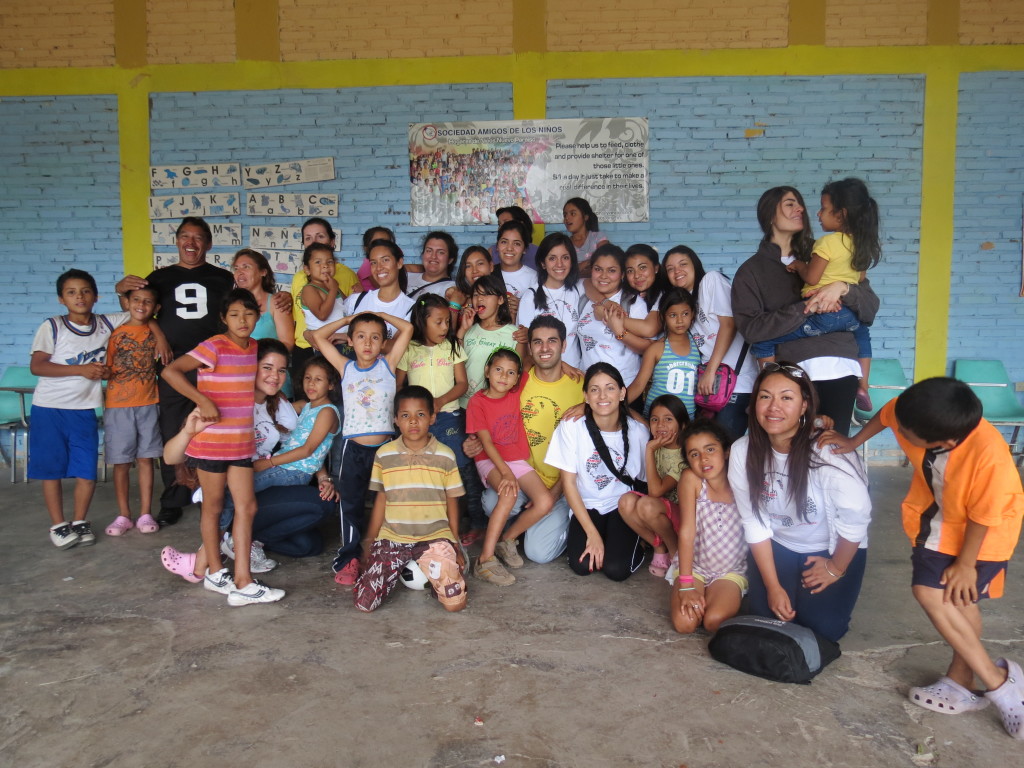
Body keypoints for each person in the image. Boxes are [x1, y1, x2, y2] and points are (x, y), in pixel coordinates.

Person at [820, 377, 1024, 736]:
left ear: (944, 443)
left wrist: (964, 564)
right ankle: (988, 682)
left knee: (955, 597)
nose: (899, 430)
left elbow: (984, 515)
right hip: (938, 519)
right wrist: (852, 442)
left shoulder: (989, 456)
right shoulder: (911, 412)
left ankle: (987, 684)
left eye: (907, 434)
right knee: (940, 595)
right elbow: (886, 415)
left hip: (986, 533)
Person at [159, 339, 338, 575]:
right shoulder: (227, 404)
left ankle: (242, 541)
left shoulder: (283, 406)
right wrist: (188, 431)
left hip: (264, 479)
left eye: (281, 370)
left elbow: (304, 445)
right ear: (250, 368)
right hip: (233, 488)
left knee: (309, 543)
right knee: (314, 505)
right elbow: (172, 458)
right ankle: (201, 561)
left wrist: (324, 476)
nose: (275, 376)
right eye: (267, 367)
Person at [728, 361, 870, 642]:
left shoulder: (826, 452)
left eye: (786, 398)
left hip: (831, 548)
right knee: (766, 619)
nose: (773, 407)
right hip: (779, 544)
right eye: (765, 396)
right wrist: (772, 586)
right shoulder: (742, 451)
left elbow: (857, 515)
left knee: (822, 631)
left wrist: (835, 567)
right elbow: (753, 522)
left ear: (804, 405)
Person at [160, 288, 285, 606]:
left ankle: (243, 581)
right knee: (213, 508)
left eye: (248, 313)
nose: (242, 321)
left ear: (259, 314)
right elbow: (170, 370)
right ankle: (216, 573)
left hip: (241, 445)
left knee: (247, 508)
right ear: (222, 318)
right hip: (212, 445)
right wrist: (201, 399)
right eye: (234, 315)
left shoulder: (254, 347)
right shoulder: (213, 346)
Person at [115, 217, 237, 527]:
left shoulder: (223, 278)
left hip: (212, 364)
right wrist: (155, 331)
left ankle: (208, 493)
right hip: (174, 364)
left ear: (208, 244)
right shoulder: (158, 277)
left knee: (212, 427)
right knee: (171, 427)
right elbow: (139, 309)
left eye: (198, 238)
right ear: (177, 241)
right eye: (185, 236)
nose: (191, 243)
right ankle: (173, 497)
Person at [732, 187, 880, 436]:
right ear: (769, 215)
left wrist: (842, 288)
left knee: (830, 453)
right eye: (790, 204)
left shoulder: (830, 250)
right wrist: (808, 307)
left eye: (800, 203)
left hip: (839, 367)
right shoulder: (751, 272)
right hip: (790, 377)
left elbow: (869, 310)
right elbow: (752, 329)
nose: (801, 208)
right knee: (789, 460)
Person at [462, 316, 584, 564]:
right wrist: (471, 443)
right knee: (493, 500)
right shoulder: (518, 381)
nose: (545, 348)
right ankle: (510, 535)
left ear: (564, 345)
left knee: (538, 554)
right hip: (519, 471)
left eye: (552, 341)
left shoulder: (582, 385)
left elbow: (614, 407)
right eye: (537, 342)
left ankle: (516, 534)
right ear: (530, 347)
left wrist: (587, 406)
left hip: (560, 486)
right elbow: (489, 420)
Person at [29, 270, 132, 548]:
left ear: (96, 296)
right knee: (52, 470)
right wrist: (82, 370)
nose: (80, 297)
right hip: (49, 409)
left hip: (85, 410)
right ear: (61, 299)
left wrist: (123, 292)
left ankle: (79, 520)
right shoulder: (52, 326)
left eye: (85, 291)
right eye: (72, 292)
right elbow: (37, 366)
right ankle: (59, 525)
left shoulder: (106, 324)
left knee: (87, 470)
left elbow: (138, 311)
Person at [311, 310, 413, 585]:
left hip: (386, 448)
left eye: (375, 337)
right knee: (350, 503)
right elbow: (318, 336)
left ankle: (388, 550)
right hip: (353, 448)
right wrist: (346, 321)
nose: (367, 343)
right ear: (351, 341)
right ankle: (349, 558)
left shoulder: (389, 364)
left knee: (393, 502)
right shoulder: (345, 367)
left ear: (383, 343)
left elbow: (408, 329)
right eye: (361, 337)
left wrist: (381, 315)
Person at [353, 385, 467, 613]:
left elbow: (452, 500)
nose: (413, 422)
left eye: (421, 415)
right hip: (393, 537)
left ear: (433, 418)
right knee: (364, 604)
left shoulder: (445, 455)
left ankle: (441, 572)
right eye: (406, 415)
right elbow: (381, 500)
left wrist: (454, 542)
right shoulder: (384, 455)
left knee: (455, 604)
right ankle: (400, 567)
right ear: (395, 419)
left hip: (435, 537)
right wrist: (369, 541)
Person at [546, 363, 649, 581]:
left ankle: (634, 542)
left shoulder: (638, 432)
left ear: (622, 393)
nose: (602, 395)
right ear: (585, 396)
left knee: (616, 570)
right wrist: (592, 535)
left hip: (621, 506)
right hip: (586, 505)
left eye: (610, 388)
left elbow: (643, 482)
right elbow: (569, 483)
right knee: (582, 565)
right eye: (594, 389)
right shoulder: (571, 426)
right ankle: (597, 534)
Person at [466, 348, 554, 586]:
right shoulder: (478, 402)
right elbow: (484, 441)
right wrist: (504, 472)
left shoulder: (515, 392)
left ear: (517, 378)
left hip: (516, 460)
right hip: (489, 460)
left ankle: (507, 540)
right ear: (487, 371)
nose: (503, 376)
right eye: (498, 370)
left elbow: (529, 359)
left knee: (545, 502)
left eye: (510, 373)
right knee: (507, 494)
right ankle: (485, 560)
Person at [663, 245, 755, 439]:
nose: (676, 271)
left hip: (737, 384)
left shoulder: (710, 281)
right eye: (670, 269)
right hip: (711, 390)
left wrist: (710, 371)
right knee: (708, 445)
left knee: (723, 445)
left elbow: (729, 325)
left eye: (682, 264)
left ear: (695, 265)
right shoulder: (687, 308)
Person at [670, 420, 747, 635]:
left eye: (710, 449)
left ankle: (719, 595)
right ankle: (693, 586)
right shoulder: (691, 480)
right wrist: (686, 585)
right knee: (685, 624)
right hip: (695, 567)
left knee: (714, 621)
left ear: (725, 451)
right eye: (694, 454)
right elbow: (687, 532)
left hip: (730, 571)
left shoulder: (742, 480)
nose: (703, 458)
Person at [102, 284, 164, 537]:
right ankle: (123, 514)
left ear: (156, 308)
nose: (141, 305)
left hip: (149, 402)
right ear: (126, 302)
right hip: (118, 405)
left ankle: (146, 512)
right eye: (136, 299)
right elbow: (106, 366)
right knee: (121, 462)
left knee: (146, 459)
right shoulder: (114, 332)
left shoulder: (155, 330)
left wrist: (158, 331)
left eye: (148, 301)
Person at [617, 394, 689, 578]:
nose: (661, 425)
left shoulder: (683, 455)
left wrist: (649, 449)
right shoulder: (658, 445)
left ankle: (677, 555)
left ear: (682, 425)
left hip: (683, 518)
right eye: (655, 420)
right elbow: (634, 416)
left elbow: (655, 492)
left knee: (647, 504)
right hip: (660, 514)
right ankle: (660, 548)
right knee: (625, 502)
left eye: (668, 419)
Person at [249, 357, 339, 493]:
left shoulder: (327, 412)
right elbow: (317, 450)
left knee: (239, 490)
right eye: (307, 378)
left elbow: (307, 450)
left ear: (331, 385)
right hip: (285, 466)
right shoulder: (307, 406)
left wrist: (268, 463)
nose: (311, 384)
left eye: (318, 379)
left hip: (294, 471)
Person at [289, 217, 360, 381]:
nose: (325, 266)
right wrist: (333, 288)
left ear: (332, 241)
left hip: (342, 342)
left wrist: (357, 295)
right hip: (319, 345)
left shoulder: (344, 277)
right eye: (318, 262)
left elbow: (346, 308)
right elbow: (322, 314)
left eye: (329, 262)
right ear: (307, 269)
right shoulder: (308, 287)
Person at [577, 244, 653, 389]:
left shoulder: (633, 303)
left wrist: (618, 331)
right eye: (598, 269)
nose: (603, 276)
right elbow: (585, 282)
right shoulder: (584, 299)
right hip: (589, 387)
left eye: (611, 270)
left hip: (624, 385)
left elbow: (649, 348)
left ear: (622, 274)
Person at [627, 288, 701, 417]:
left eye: (685, 314)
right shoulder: (656, 348)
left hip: (686, 421)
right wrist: (615, 406)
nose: (679, 320)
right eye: (673, 315)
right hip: (657, 420)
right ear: (663, 316)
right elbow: (639, 385)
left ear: (693, 314)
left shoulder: (698, 346)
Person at [517, 232, 584, 368]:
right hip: (544, 375)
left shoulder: (578, 290)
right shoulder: (530, 297)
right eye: (552, 258)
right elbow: (526, 346)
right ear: (543, 263)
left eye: (565, 257)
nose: (559, 264)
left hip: (575, 373)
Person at [457, 273, 526, 405]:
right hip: (465, 404)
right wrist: (462, 331)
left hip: (496, 406)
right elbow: (454, 363)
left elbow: (518, 374)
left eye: (486, 294)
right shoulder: (468, 331)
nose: (480, 299)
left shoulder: (515, 334)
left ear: (500, 300)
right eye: (476, 295)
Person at [338, 240, 413, 341]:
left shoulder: (411, 308)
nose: (379, 267)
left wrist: (347, 337)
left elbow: (396, 346)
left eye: (385, 260)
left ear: (399, 263)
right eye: (373, 262)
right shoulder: (356, 300)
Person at [232, 248, 294, 350]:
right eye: (236, 268)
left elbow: (287, 343)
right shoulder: (231, 302)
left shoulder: (277, 302)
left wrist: (262, 358)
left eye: (246, 267)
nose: (240, 272)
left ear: (263, 272)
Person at [405, 231, 459, 301]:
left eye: (440, 252)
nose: (433, 256)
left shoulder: (451, 289)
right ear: (422, 255)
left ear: (450, 260)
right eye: (429, 251)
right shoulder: (406, 276)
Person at [494, 219, 537, 308]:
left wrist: (522, 306)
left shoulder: (534, 277)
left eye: (517, 244)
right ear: (497, 246)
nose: (509, 248)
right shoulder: (489, 274)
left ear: (524, 249)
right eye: (504, 242)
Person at [563, 197, 607, 273]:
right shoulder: (564, 243)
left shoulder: (598, 237)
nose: (567, 218)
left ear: (585, 217)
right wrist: (590, 263)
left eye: (573, 214)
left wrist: (582, 265)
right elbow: (564, 270)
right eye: (565, 215)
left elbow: (606, 258)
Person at [449, 244, 496, 310]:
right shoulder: (457, 297)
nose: (474, 271)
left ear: (491, 266)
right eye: (468, 266)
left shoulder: (502, 299)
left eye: (480, 263)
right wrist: (455, 305)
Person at [355, 225, 396, 292]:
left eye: (387, 243)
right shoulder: (368, 265)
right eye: (376, 243)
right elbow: (382, 287)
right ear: (366, 248)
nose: (381, 246)